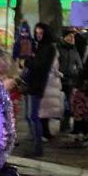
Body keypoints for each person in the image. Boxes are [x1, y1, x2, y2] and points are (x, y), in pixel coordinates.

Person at [22, 22, 57, 155]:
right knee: (28, 116)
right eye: (36, 33)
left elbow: (40, 65)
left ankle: (37, 148)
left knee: (33, 116)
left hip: (37, 85)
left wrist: (29, 61)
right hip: (30, 83)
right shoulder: (38, 46)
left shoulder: (48, 48)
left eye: (41, 33)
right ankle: (34, 145)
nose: (38, 36)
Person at [58, 30, 83, 132]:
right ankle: (62, 123)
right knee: (60, 103)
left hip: (70, 80)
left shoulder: (74, 49)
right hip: (59, 80)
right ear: (64, 37)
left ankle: (65, 125)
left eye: (73, 37)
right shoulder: (59, 49)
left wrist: (77, 72)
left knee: (68, 103)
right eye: (69, 36)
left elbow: (79, 64)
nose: (72, 38)